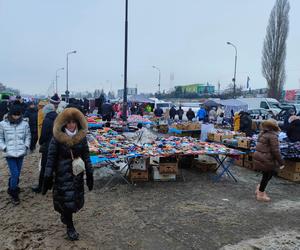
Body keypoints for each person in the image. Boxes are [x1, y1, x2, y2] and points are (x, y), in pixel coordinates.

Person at [42, 108, 94, 241]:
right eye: (69, 122)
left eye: (74, 122)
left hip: (77, 173)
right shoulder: (57, 138)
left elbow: (86, 156)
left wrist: (90, 173)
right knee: (67, 201)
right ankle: (70, 227)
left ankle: (65, 216)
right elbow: (51, 157)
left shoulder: (82, 137)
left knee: (74, 200)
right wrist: (47, 175)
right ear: (64, 123)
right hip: (62, 174)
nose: (72, 125)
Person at [0, 105, 31, 205]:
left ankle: (11, 186)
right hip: (9, 153)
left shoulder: (25, 124)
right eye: (15, 115)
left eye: (18, 115)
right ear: (10, 114)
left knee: (16, 174)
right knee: (15, 174)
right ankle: (14, 193)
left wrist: (26, 146)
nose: (17, 117)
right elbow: (0, 138)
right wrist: (4, 147)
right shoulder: (3, 124)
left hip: (21, 152)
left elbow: (28, 136)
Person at [253, 119, 285, 202]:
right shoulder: (273, 136)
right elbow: (275, 151)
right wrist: (281, 162)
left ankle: (259, 188)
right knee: (268, 175)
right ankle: (261, 194)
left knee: (266, 175)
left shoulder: (263, 133)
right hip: (267, 159)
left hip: (262, 157)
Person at [32, 104, 58, 193]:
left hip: (48, 146)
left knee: (44, 166)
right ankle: (51, 184)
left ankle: (41, 187)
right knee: (54, 166)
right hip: (57, 145)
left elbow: (43, 135)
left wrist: (41, 142)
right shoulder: (58, 118)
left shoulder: (47, 120)